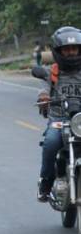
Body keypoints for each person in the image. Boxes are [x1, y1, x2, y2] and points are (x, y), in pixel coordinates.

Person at [36, 27, 81, 202]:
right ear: (59, 51)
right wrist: (44, 97)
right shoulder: (52, 72)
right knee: (51, 142)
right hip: (59, 119)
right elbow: (44, 89)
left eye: (74, 49)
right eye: (67, 49)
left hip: (80, 121)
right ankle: (46, 182)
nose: (71, 53)